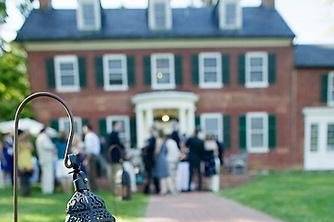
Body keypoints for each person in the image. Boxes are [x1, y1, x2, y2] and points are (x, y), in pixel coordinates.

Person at [36, 127, 57, 194]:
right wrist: (53, 146)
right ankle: (48, 190)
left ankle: (46, 189)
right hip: (47, 159)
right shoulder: (43, 137)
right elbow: (48, 146)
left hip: (43, 158)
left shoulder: (39, 137)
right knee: (48, 175)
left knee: (45, 175)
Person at [107, 121, 125, 195]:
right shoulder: (113, 135)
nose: (121, 128)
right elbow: (118, 145)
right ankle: (116, 191)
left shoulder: (113, 135)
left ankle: (116, 191)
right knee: (116, 176)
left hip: (113, 159)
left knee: (115, 176)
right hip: (114, 159)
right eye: (120, 126)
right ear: (116, 126)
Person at [153, 130, 172, 195]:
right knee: (166, 174)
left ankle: (163, 190)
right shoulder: (164, 141)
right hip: (164, 158)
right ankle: (170, 188)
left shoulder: (158, 140)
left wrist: (154, 156)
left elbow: (157, 151)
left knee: (162, 175)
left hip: (160, 159)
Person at [83, 124, 101, 191]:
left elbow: (89, 149)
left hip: (91, 156)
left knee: (90, 173)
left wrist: (87, 159)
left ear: (87, 128)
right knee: (93, 173)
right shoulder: (94, 135)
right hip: (95, 155)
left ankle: (90, 189)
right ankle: (94, 188)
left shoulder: (88, 136)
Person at [142, 126, 160, 194]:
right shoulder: (150, 139)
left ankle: (153, 189)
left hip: (150, 160)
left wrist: (145, 147)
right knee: (149, 175)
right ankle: (148, 189)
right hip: (148, 160)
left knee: (151, 175)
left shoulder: (153, 139)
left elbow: (151, 148)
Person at [17, 130, 34, 196]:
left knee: (27, 179)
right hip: (21, 163)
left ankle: (28, 192)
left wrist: (26, 139)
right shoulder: (17, 143)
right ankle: (23, 193)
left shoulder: (27, 143)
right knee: (22, 179)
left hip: (28, 163)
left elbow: (31, 148)